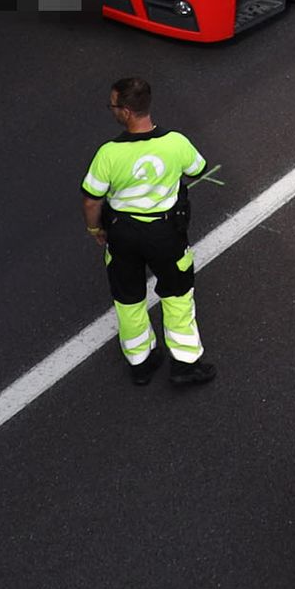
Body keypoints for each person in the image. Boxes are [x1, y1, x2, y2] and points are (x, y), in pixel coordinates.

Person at [82, 77, 210, 388]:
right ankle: (185, 364)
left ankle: (141, 363)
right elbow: (197, 169)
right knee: (178, 295)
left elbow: (91, 200)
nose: (112, 110)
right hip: (166, 233)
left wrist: (95, 228)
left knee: (128, 300)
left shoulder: (108, 153)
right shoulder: (175, 142)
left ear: (126, 111)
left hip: (122, 233)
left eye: (113, 106)